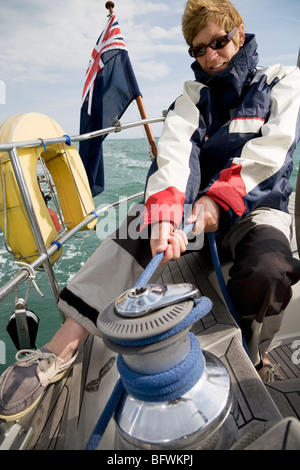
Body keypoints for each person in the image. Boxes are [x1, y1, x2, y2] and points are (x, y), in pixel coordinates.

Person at [1, 0, 300, 422]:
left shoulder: (283, 81)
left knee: (270, 268)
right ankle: (61, 346)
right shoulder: (190, 99)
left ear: (239, 30)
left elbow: (269, 154)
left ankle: (257, 352)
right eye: (199, 49)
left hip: (257, 208)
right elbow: (175, 158)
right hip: (196, 214)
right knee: (139, 225)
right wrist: (164, 216)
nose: (211, 56)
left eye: (219, 42)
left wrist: (214, 203)